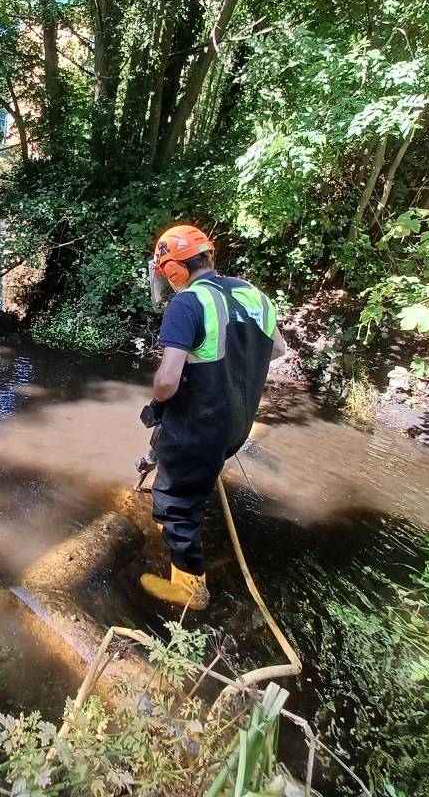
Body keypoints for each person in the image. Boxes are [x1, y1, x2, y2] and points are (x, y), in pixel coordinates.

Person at [139, 224, 286, 610]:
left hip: (199, 427)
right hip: (237, 424)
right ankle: (171, 524)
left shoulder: (187, 303)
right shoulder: (254, 295)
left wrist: (156, 404)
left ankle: (191, 590)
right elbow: (278, 349)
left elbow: (168, 381)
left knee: (175, 501)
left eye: (166, 274)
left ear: (173, 270)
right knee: (188, 483)